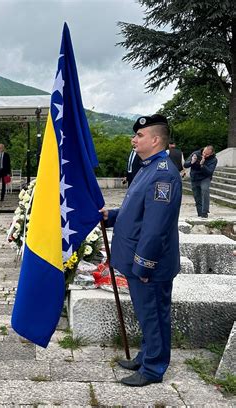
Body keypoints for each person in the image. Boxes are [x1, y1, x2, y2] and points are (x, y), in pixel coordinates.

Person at [100, 114, 182, 387]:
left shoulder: (163, 175)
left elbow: (156, 227)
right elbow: (136, 211)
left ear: (156, 139)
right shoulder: (147, 168)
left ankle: (153, 368)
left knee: (154, 314)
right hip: (138, 260)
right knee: (147, 314)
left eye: (140, 136)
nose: (134, 139)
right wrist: (110, 215)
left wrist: (144, 265)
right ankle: (147, 355)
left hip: (149, 264)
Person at [183, 145, 218, 218]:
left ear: (211, 154)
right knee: (197, 195)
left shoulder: (213, 160)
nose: (204, 155)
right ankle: (200, 213)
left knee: (205, 190)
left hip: (205, 178)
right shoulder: (196, 153)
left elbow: (209, 172)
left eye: (207, 154)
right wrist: (192, 162)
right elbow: (185, 165)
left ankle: (205, 212)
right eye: (204, 152)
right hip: (195, 177)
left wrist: (202, 165)